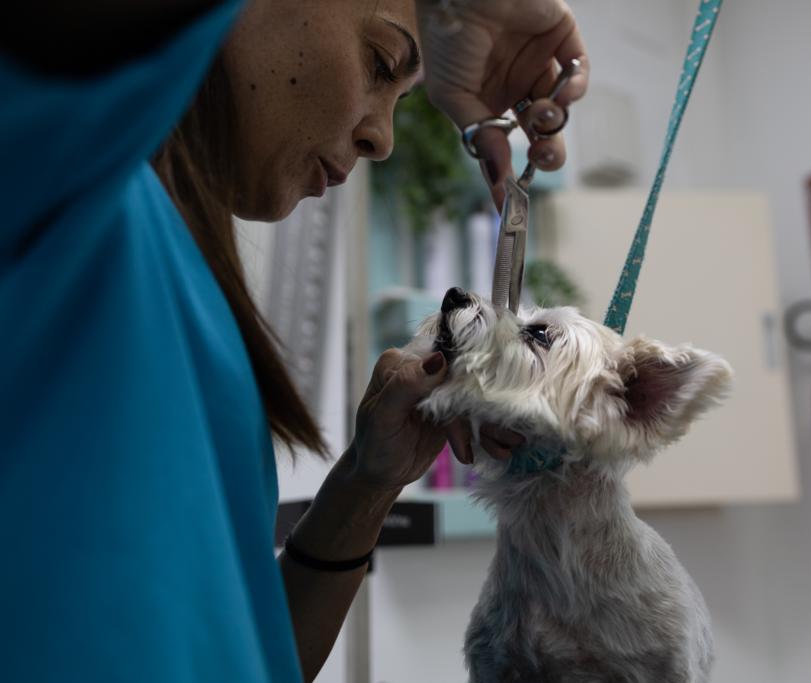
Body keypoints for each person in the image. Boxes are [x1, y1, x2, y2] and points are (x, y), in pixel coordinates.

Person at [0, 1, 588, 681]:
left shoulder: (185, 282)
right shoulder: (56, 171)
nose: (383, 140)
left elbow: (243, 649)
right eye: (378, 63)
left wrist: (368, 481)